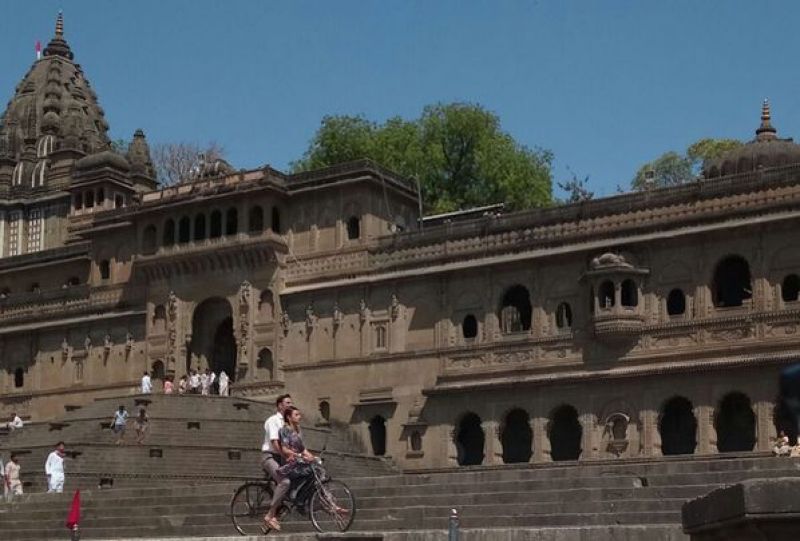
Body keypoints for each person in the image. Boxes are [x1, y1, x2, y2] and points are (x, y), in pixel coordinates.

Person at [261, 394, 293, 531]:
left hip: (281, 457)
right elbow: (275, 443)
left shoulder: (287, 423)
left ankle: (277, 510)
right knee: (284, 482)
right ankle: (270, 515)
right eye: (287, 403)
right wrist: (286, 455)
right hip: (270, 457)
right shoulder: (273, 420)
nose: (290, 405)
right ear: (280, 405)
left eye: (291, 403)